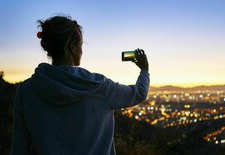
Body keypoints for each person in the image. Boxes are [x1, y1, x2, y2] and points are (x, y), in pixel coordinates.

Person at [11, 15, 149, 155]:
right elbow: (139, 93)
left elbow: (19, 148)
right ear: (72, 47)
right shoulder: (99, 86)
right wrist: (144, 70)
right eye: (80, 45)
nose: (81, 51)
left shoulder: (26, 91)